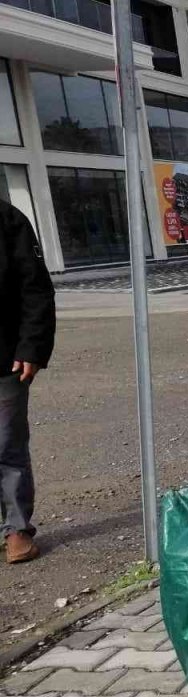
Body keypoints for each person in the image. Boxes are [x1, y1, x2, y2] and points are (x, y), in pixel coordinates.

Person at [0, 199, 56, 564]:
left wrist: (32, 347)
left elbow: (36, 288)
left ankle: (16, 529)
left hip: (5, 357)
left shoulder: (7, 220)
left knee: (7, 444)